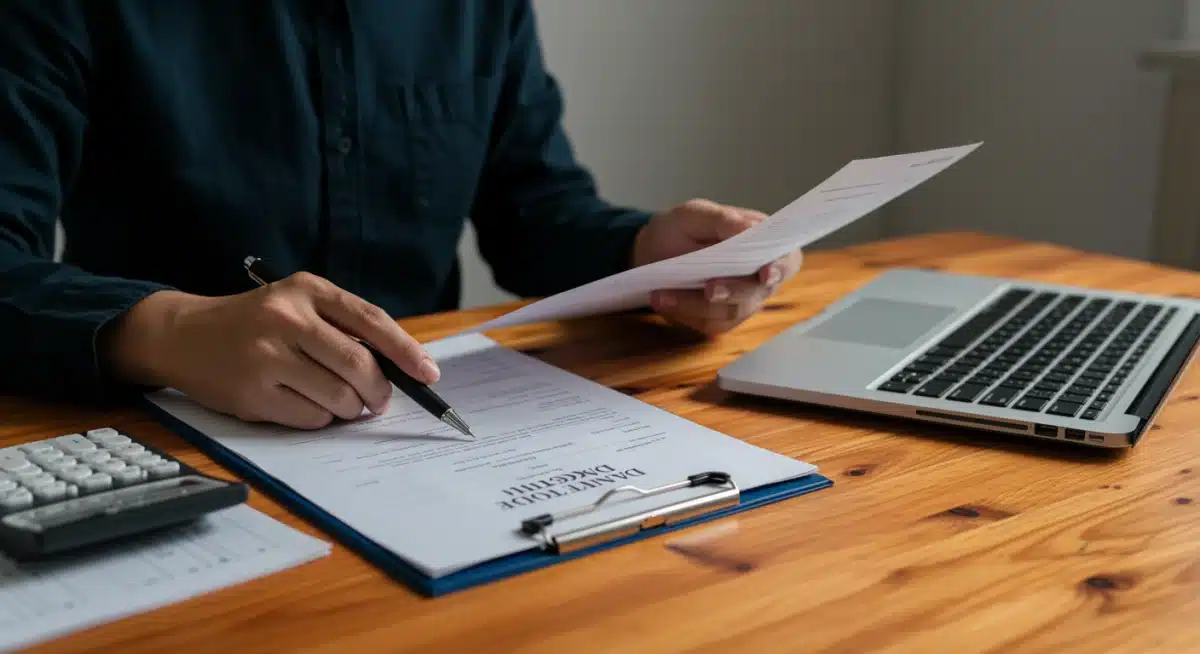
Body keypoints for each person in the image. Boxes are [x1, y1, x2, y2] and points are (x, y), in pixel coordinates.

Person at [0, 1, 802, 429]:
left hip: (424, 430)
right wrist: (168, 331)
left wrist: (645, 255)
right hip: (165, 438)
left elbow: (534, 210)